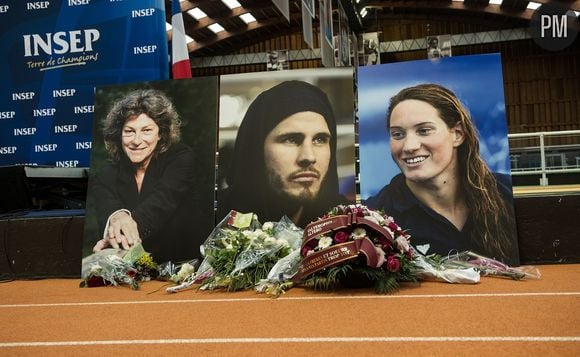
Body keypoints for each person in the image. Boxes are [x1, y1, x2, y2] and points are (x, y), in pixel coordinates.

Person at [364, 83, 519, 266]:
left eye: (424, 130)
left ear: (458, 134)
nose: (409, 146)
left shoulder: (507, 194)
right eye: (397, 134)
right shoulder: (374, 218)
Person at [90, 89, 204, 263]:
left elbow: (162, 201)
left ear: (160, 134)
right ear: (118, 135)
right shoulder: (105, 175)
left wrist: (121, 229)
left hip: (183, 265)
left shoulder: (181, 157)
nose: (136, 140)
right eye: (129, 131)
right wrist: (116, 216)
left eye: (146, 130)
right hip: (133, 269)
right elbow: (107, 209)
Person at [216, 80, 350, 227]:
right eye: (291, 139)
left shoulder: (350, 224)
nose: (309, 157)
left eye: (320, 139)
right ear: (257, 148)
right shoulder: (209, 220)